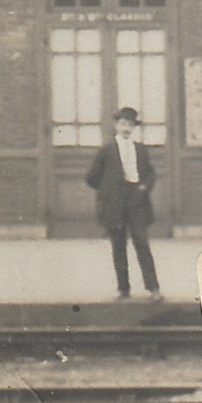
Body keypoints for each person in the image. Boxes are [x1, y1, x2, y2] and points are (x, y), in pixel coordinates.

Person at [85, 107, 162, 301]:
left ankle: (153, 288)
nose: (126, 128)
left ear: (134, 127)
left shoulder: (140, 149)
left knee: (141, 242)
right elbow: (91, 177)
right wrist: (108, 191)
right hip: (115, 203)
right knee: (118, 245)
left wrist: (144, 188)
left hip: (136, 200)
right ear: (116, 125)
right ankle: (123, 289)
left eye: (130, 124)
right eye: (123, 124)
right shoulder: (106, 150)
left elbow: (151, 173)